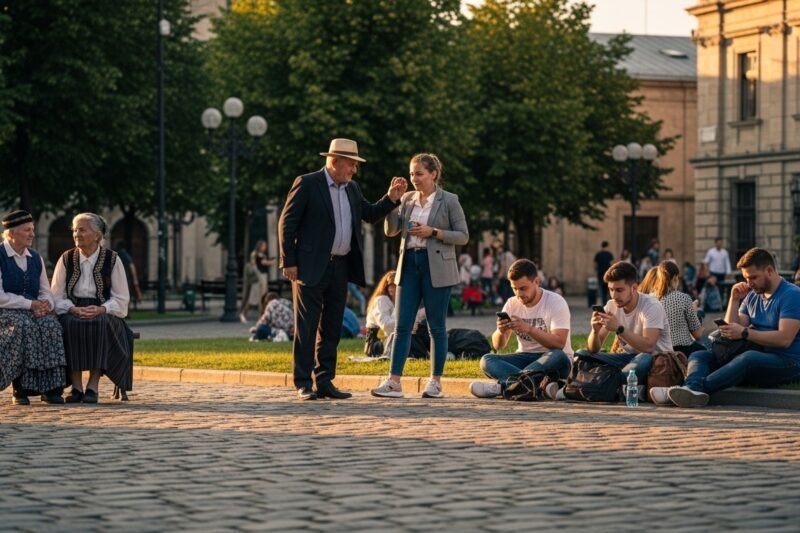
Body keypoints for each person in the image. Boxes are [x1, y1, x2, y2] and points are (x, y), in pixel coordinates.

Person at [278, 138, 407, 401]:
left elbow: (369, 214)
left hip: (340, 266)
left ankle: (325, 381)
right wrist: (288, 261)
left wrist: (391, 199)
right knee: (307, 327)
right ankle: (303, 383)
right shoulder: (307, 183)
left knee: (332, 326)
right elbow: (286, 224)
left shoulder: (352, 188)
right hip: (309, 267)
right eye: (351, 164)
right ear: (335, 161)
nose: (354, 170)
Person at [371, 153, 468, 399]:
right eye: (412, 174)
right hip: (409, 265)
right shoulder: (407, 199)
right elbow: (391, 230)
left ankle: (435, 382)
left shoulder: (449, 200)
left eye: (419, 174)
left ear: (433, 174)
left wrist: (433, 232)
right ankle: (394, 382)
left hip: (436, 265)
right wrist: (392, 201)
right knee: (402, 325)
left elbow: (462, 236)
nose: (414, 178)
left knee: (436, 327)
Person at [662, 247, 800, 408]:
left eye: (753, 277)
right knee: (700, 355)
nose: (749, 283)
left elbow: (784, 339)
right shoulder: (753, 295)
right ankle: (690, 389)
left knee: (748, 358)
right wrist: (734, 301)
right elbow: (731, 330)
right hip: (755, 353)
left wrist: (746, 333)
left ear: (769, 270)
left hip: (788, 362)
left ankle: (694, 389)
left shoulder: (792, 295)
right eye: (746, 278)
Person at [51, 213, 133, 404]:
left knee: (100, 323)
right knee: (69, 324)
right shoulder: (66, 258)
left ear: (97, 235)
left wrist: (102, 309)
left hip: (103, 310)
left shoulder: (113, 259)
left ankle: (92, 386)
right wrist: (71, 309)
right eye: (75, 230)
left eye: (82, 230)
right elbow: (56, 295)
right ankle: (76, 387)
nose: (76, 234)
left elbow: (121, 298)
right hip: (73, 308)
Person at [561, 261, 672, 401]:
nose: (614, 295)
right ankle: (613, 385)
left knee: (644, 358)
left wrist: (619, 328)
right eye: (611, 290)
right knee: (582, 354)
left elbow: (649, 346)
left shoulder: (651, 306)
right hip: (625, 360)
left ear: (634, 288)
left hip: (655, 361)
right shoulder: (612, 306)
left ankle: (597, 383)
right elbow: (593, 349)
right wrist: (595, 331)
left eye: (619, 290)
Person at [469, 259, 573, 400]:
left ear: (536, 282)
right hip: (525, 357)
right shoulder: (512, 303)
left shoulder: (556, 302)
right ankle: (534, 386)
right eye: (515, 289)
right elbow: (498, 346)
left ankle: (502, 387)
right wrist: (500, 331)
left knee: (558, 355)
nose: (519, 294)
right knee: (487, 360)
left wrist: (529, 329)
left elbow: (559, 343)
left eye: (523, 288)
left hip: (553, 358)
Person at [0, 210, 66, 405]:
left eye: (33, 230)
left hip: (32, 310)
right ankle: (21, 388)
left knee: (50, 326)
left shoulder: (35, 257)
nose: (32, 234)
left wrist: (45, 305)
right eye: (27, 230)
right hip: (5, 312)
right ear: (11, 233)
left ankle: (51, 388)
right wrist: (30, 304)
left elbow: (45, 290)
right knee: (24, 326)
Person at [647, 261, 704, 358]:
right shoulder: (683, 298)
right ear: (675, 278)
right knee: (706, 354)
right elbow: (697, 335)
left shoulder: (650, 299)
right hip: (683, 350)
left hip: (659, 351)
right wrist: (694, 312)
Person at [240, 240, 274, 322]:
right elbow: (255, 265)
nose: (265, 247)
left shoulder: (263, 255)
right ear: (259, 246)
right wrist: (258, 275)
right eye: (263, 246)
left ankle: (260, 316)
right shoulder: (254, 254)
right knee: (253, 298)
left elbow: (266, 263)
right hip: (258, 277)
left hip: (264, 276)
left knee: (263, 298)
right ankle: (243, 314)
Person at [365, 270, 397, 340]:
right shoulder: (382, 300)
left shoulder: (395, 300)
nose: (391, 288)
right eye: (389, 285)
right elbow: (386, 325)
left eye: (394, 285)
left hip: (389, 340)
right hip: (378, 343)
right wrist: (407, 325)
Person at [115, 240, 142, 305]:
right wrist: (135, 279)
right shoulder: (126, 256)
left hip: (117, 278)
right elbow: (132, 267)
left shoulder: (116, 256)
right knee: (126, 294)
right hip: (126, 278)